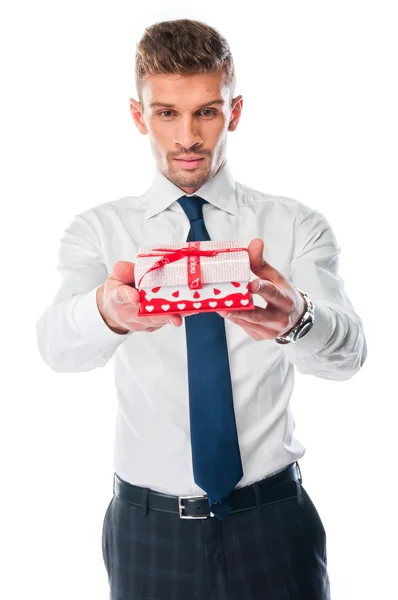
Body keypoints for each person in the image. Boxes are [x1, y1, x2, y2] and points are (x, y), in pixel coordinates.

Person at [36, 18, 367, 600]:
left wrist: (297, 319)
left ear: (234, 112)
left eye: (206, 112)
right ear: (140, 117)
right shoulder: (99, 231)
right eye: (167, 113)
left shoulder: (295, 226)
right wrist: (108, 312)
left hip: (274, 520)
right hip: (148, 529)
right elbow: (56, 349)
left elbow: (348, 358)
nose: (187, 136)